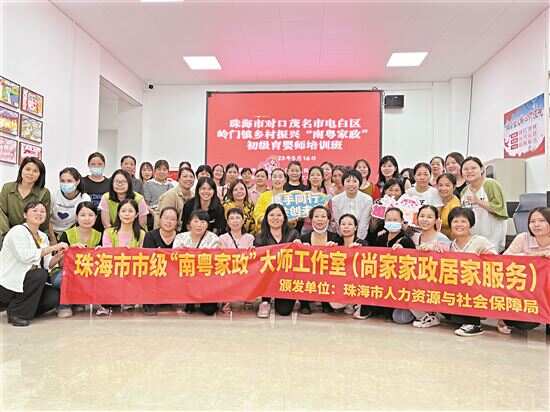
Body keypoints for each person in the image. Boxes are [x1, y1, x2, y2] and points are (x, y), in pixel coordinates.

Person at [0, 202, 68, 326]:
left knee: (54, 296)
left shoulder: (42, 236)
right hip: (10, 284)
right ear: (25, 215)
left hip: (28, 283)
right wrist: (54, 247)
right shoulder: (17, 231)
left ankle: (17, 310)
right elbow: (25, 257)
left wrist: (59, 256)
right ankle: (17, 314)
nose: (39, 213)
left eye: (42, 211)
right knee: (39, 274)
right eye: (34, 210)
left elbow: (47, 264)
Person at [355, 207, 416, 322]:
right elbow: (372, 255)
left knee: (398, 317)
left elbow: (413, 263)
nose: (392, 222)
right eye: (389, 220)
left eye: (395, 220)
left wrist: (402, 251)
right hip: (381, 279)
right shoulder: (381, 237)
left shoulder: (406, 240)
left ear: (402, 221)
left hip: (398, 282)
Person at [447, 207, 497, 337]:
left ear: (471, 224)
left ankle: (474, 324)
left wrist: (489, 255)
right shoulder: (451, 245)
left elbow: (496, 259)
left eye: (463, 221)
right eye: (455, 221)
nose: (459, 225)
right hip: (458, 288)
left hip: (479, 287)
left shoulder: (480, 241)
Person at [503, 207, 550, 334]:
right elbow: (504, 260)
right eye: (532, 221)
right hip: (525, 291)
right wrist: (532, 257)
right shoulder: (522, 238)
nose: (536, 224)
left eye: (542, 221)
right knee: (522, 323)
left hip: (546, 291)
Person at [53, 201, 101, 318]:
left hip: (89, 272)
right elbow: (60, 263)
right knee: (61, 279)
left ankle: (79, 300)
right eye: (82, 215)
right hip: (66, 271)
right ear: (76, 217)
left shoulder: (100, 235)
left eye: (91, 215)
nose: (87, 218)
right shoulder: (67, 234)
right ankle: (65, 305)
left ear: (96, 217)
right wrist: (70, 251)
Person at [255, 204, 299, 318]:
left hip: (286, 278)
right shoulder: (260, 237)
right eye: (272, 215)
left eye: (279, 215)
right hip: (267, 277)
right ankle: (265, 301)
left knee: (284, 311)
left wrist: (300, 245)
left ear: (284, 217)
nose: (275, 218)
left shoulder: (293, 234)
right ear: (266, 218)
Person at [173, 210, 221, 315]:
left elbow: (214, 261)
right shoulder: (180, 237)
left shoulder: (214, 239)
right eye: (196, 221)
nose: (199, 225)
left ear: (207, 224)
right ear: (189, 223)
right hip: (186, 277)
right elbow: (176, 258)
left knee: (209, 310)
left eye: (203, 222)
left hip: (206, 279)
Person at [410, 205, 451, 328]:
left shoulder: (442, 239)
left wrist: (433, 250)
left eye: (429, 217)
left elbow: (448, 261)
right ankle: (427, 315)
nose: (425, 220)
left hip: (435, 282)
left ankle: (434, 314)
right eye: (422, 216)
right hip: (416, 280)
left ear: (436, 220)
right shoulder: (414, 237)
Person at [296, 206, 340, 314]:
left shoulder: (335, 237)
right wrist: (296, 246)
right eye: (316, 216)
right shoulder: (304, 238)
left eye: (323, 216)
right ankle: (304, 303)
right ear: (311, 219)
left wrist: (336, 248)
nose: (320, 219)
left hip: (327, 273)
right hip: (308, 273)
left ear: (328, 220)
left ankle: (326, 302)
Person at [460, 156, 508, 252]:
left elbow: (500, 208)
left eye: (473, 168)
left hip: (492, 235)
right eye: (465, 169)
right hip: (473, 236)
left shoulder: (490, 184)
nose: (469, 171)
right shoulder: (464, 191)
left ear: (482, 169)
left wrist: (478, 201)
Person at [0, 157, 51, 245]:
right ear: (21, 170)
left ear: (40, 174)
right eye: (27, 169)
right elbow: (2, 213)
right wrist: (8, 235)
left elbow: (43, 220)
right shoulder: (7, 188)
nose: (30, 173)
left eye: (35, 171)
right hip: (8, 235)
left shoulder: (44, 193)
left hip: (31, 236)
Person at [142, 207, 178, 315]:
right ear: (160, 219)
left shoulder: (181, 237)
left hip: (174, 272)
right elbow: (148, 258)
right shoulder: (150, 235)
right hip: (156, 271)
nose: (169, 222)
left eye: (173, 219)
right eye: (166, 218)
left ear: (177, 222)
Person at [218, 208, 255, 313]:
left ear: (243, 221)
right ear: (228, 221)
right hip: (228, 269)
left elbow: (253, 257)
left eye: (238, 218)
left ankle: (248, 297)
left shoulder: (250, 238)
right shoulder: (222, 238)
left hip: (245, 268)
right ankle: (226, 300)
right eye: (232, 218)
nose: (235, 221)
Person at [49, 167, 91, 240]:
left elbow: (82, 220)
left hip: (71, 233)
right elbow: (47, 218)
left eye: (69, 181)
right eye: (62, 181)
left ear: (77, 181)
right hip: (51, 232)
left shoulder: (84, 198)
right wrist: (52, 238)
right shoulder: (53, 195)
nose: (65, 184)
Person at [330, 169, 373, 240]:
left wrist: (358, 240)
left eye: (355, 181)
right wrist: (344, 238)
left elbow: (364, 223)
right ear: (343, 183)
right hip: (341, 236)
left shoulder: (367, 200)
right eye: (348, 181)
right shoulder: (335, 200)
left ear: (359, 183)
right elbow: (338, 221)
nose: (351, 184)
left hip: (361, 237)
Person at [156, 167, 195, 231]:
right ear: (179, 179)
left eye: (191, 177)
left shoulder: (194, 196)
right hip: (171, 232)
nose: (188, 179)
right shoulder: (169, 195)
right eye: (185, 176)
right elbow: (162, 220)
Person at [254, 168, 287, 232]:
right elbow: (257, 214)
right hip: (266, 230)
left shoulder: (289, 197)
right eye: (274, 177)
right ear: (271, 179)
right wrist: (271, 219)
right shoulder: (264, 196)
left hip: (285, 231)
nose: (277, 179)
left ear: (285, 180)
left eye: (280, 177)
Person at [144, 160, 172, 230]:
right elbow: (145, 204)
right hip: (152, 214)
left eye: (164, 169)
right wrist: (154, 214)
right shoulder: (148, 184)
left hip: (168, 214)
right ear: (155, 171)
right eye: (159, 169)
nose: (161, 172)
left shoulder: (171, 185)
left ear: (168, 172)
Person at [437, 173, 461, 239]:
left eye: (447, 185)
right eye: (440, 185)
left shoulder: (455, 204)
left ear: (454, 187)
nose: (443, 188)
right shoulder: (436, 198)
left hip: (450, 239)